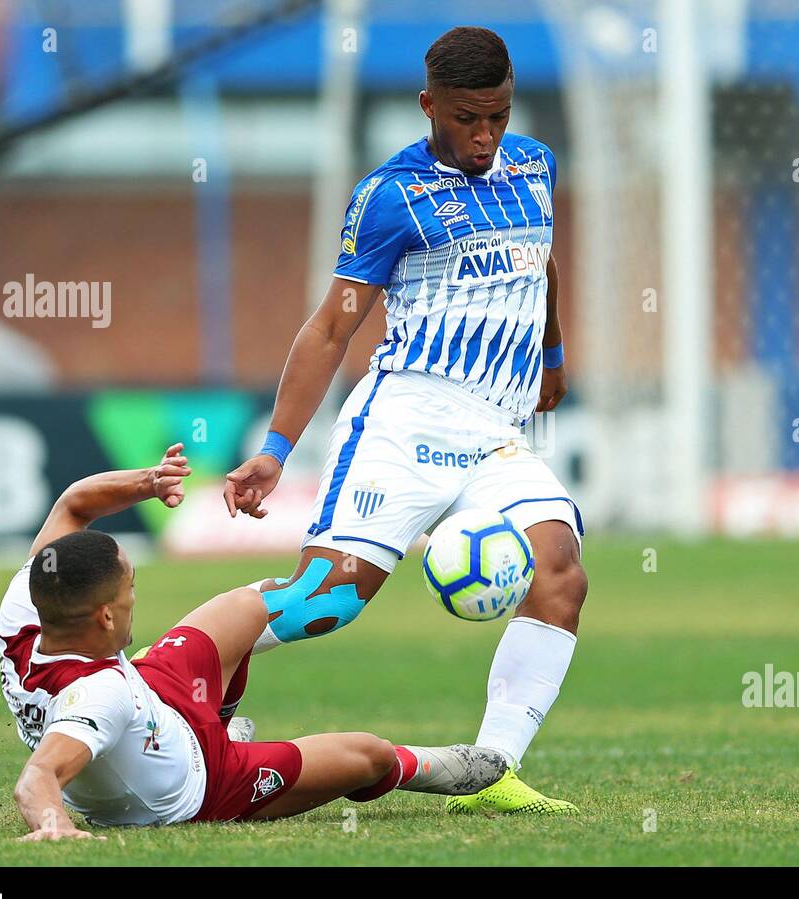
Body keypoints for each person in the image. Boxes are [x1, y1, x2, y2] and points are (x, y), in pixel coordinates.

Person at [222, 26, 587, 814]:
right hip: (406, 417)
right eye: (466, 119)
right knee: (326, 601)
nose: (485, 135)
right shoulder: (391, 198)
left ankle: (491, 772)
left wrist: (553, 355)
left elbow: (543, 257)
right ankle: (163, 669)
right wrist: (276, 450)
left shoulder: (535, 165)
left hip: (494, 430)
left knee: (558, 566)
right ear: (429, 106)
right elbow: (331, 328)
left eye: (497, 116)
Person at [0, 445, 505, 839]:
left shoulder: (26, 608)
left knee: (245, 607)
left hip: (154, 696)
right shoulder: (95, 697)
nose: (136, 597)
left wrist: (148, 482)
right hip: (203, 782)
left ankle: (217, 718)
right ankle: (436, 768)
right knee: (367, 755)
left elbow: (73, 504)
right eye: (131, 588)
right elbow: (36, 778)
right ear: (106, 615)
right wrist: (54, 827)